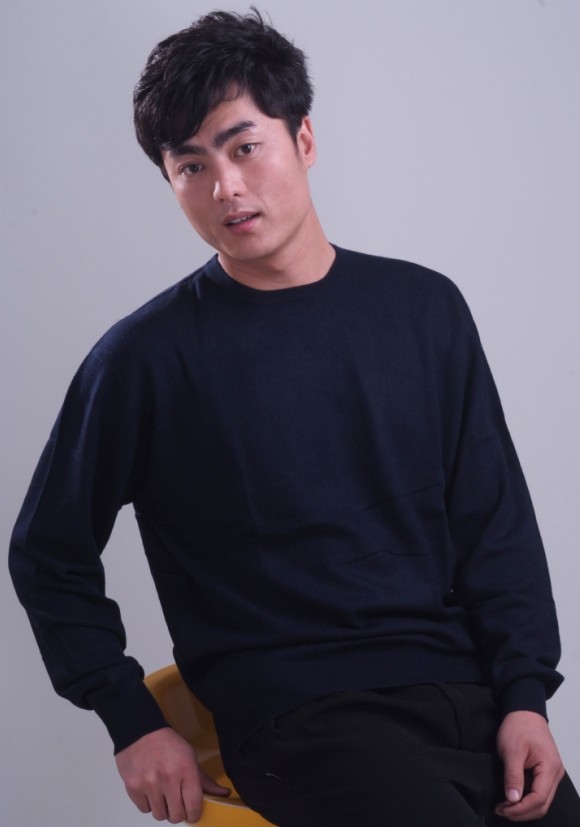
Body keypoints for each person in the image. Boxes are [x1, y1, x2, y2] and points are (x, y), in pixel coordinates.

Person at [9, 9, 580, 827]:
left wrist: (526, 697)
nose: (225, 188)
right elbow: (48, 551)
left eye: (244, 147)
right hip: (299, 720)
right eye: (190, 165)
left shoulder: (424, 310)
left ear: (303, 138)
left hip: (470, 700)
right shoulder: (144, 359)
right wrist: (131, 719)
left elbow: (494, 524)